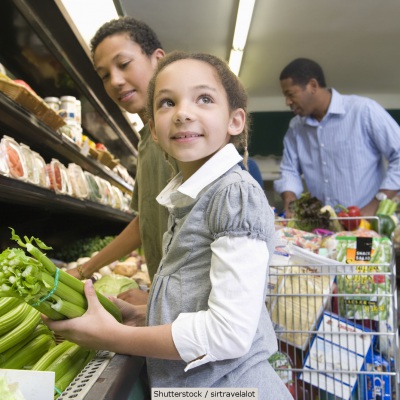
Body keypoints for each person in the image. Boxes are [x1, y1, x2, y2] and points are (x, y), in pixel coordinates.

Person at [43, 51, 292, 398]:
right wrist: (145, 314)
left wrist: (111, 336)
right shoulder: (192, 198)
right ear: (154, 130)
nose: (183, 113)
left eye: (204, 98)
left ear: (235, 121)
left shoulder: (234, 194)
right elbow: (201, 296)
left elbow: (228, 333)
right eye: (166, 103)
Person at [67, 17, 176, 304]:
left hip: (194, 315)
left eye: (124, 64)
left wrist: (162, 301)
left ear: (158, 60)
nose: (115, 81)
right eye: (104, 75)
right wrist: (84, 270)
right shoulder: (145, 141)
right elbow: (147, 221)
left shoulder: (183, 135)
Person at [273, 57, 400, 217]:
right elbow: (289, 170)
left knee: (365, 243)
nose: (287, 101)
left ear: (312, 86)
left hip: (369, 224)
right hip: (325, 227)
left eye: (291, 94)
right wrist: (290, 202)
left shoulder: (364, 111)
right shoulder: (296, 127)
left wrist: (376, 204)